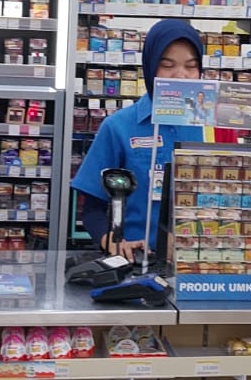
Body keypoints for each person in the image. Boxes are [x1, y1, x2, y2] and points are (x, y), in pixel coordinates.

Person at [71, 19, 202, 260]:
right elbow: (92, 210)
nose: (180, 75)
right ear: (150, 66)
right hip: (139, 261)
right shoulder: (119, 126)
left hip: (205, 265)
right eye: (167, 65)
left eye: (191, 66)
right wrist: (112, 242)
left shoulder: (215, 128)